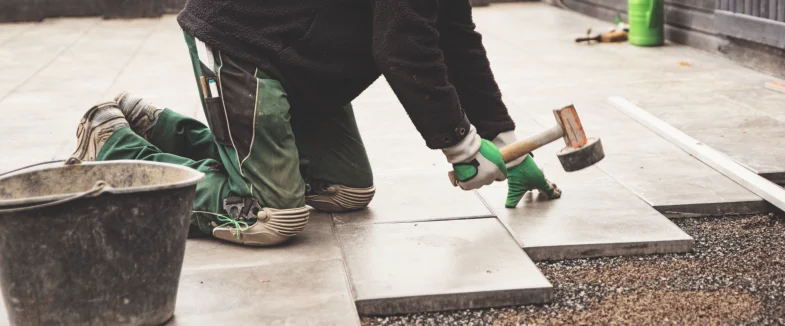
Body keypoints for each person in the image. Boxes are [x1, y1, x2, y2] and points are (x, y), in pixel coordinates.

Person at [70, 0, 561, 247]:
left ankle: (151, 123)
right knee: (270, 217)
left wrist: (503, 137)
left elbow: (454, 36)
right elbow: (403, 45)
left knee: (347, 193)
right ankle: (111, 142)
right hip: (245, 43)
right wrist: (462, 148)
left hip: (305, 61)